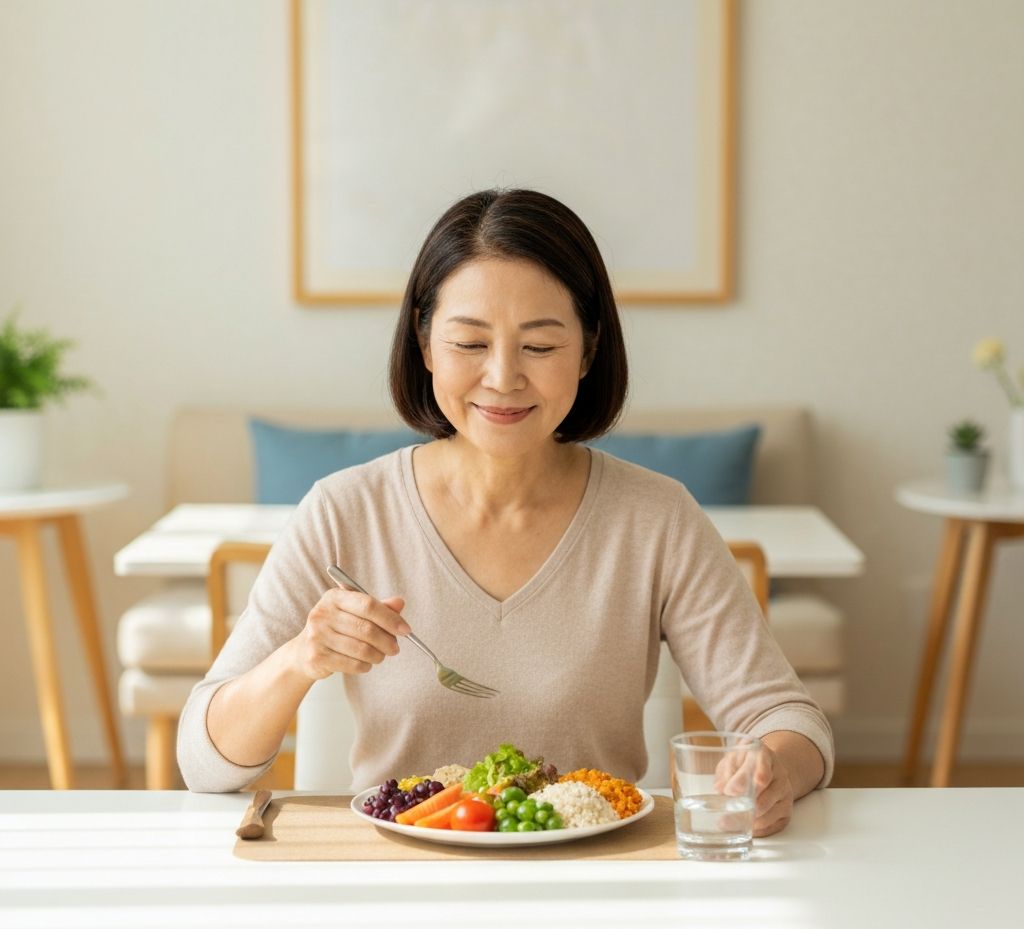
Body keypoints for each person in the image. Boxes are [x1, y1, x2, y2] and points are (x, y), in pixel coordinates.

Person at [178, 188, 832, 837]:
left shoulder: (656, 519)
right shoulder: (345, 510)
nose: (502, 377)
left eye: (541, 347)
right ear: (426, 345)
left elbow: (786, 718)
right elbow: (204, 763)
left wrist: (770, 769)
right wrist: (298, 660)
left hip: (596, 884)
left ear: (588, 350)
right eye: (469, 343)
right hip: (400, 890)